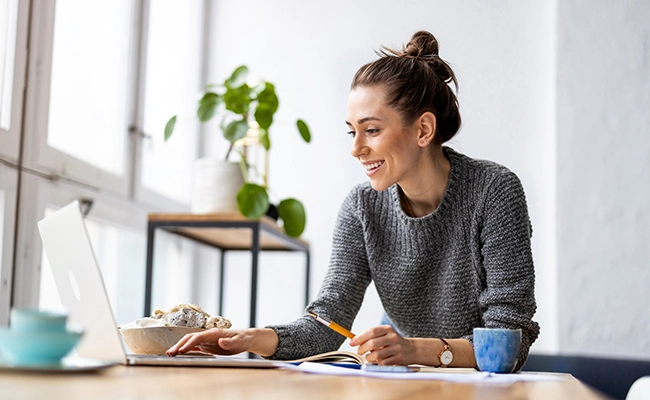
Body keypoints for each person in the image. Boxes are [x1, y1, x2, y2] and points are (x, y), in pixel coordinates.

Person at [167, 30, 540, 369]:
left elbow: (509, 341)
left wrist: (413, 350)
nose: (357, 149)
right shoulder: (362, 208)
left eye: (371, 130)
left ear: (424, 129)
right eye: (351, 133)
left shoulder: (494, 191)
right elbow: (328, 322)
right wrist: (253, 339)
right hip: (406, 383)